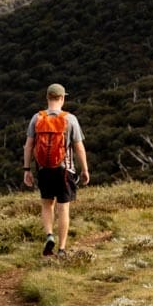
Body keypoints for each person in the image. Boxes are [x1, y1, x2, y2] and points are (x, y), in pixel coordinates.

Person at [23, 83, 89, 256]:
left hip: (43, 169)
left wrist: (26, 169)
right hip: (64, 170)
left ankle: (49, 235)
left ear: (47, 98)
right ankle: (61, 249)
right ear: (62, 98)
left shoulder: (37, 118)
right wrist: (85, 170)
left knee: (47, 205)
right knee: (63, 208)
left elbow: (28, 146)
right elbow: (79, 148)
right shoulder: (70, 119)